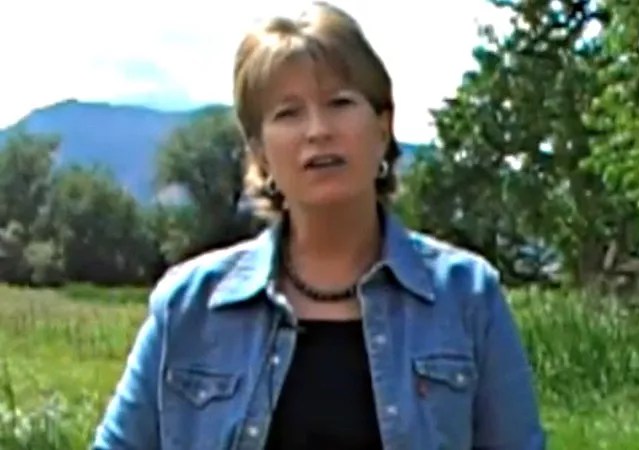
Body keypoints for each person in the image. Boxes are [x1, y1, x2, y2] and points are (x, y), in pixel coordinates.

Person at [92, 2, 547, 449]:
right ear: (260, 152)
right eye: (288, 113)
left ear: (383, 128)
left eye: (339, 102)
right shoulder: (189, 306)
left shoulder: (467, 297)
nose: (317, 130)